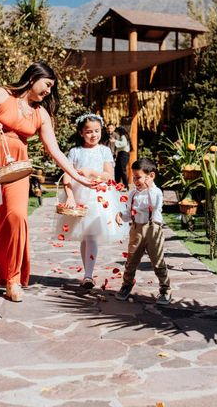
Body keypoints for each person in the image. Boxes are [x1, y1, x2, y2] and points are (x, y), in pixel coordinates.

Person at [0, 62, 92, 308]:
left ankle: (12, 279)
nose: (49, 91)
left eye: (52, 88)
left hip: (16, 164)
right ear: (33, 78)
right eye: (48, 84)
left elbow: (55, 151)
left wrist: (78, 176)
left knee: (17, 216)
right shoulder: (1, 94)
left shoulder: (41, 114)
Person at [57, 113, 128, 289]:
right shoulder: (75, 152)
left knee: (91, 236)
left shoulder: (104, 150)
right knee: (84, 237)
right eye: (89, 131)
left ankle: (88, 274)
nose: (93, 135)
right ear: (81, 132)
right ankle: (87, 273)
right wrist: (70, 196)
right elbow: (67, 175)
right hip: (79, 195)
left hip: (98, 196)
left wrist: (91, 172)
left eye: (96, 131)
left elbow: (109, 176)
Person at [115, 158, 171, 305]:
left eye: (138, 177)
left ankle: (165, 289)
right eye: (133, 177)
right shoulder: (133, 194)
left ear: (151, 176)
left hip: (153, 229)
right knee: (131, 260)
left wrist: (148, 186)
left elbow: (154, 205)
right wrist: (122, 215)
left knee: (157, 261)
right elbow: (129, 212)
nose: (135, 181)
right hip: (136, 230)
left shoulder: (156, 192)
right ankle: (126, 285)